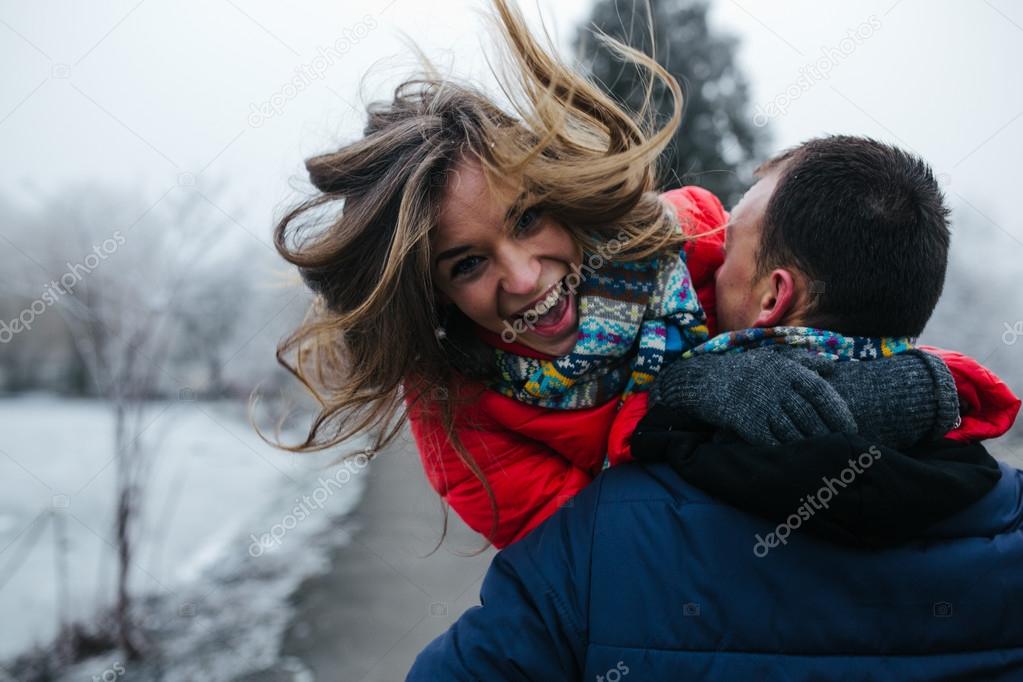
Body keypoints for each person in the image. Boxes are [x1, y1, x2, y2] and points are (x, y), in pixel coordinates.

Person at [268, 0, 1014, 549]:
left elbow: (841, 332)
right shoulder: (460, 417)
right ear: (429, 292)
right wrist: (688, 398)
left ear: (561, 194)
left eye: (528, 219)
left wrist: (918, 388)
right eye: (467, 263)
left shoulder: (689, 236)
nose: (524, 278)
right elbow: (614, 560)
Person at [405, 137, 1023, 681]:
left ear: (773, 297)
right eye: (468, 264)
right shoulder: (1007, 519)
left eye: (726, 245)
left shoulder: (598, 550)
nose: (701, 262)